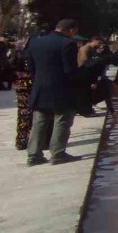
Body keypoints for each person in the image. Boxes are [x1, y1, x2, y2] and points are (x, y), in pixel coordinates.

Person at [25, 19, 81, 166]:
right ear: (71, 30)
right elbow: (70, 70)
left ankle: (33, 155)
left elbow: (30, 66)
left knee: (39, 121)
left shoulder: (36, 42)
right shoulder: (68, 44)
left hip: (40, 87)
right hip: (61, 88)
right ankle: (57, 154)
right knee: (62, 120)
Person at [12, 37, 35, 150]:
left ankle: (20, 140)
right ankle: (29, 139)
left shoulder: (19, 53)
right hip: (30, 85)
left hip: (20, 86)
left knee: (22, 114)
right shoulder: (32, 55)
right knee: (31, 114)